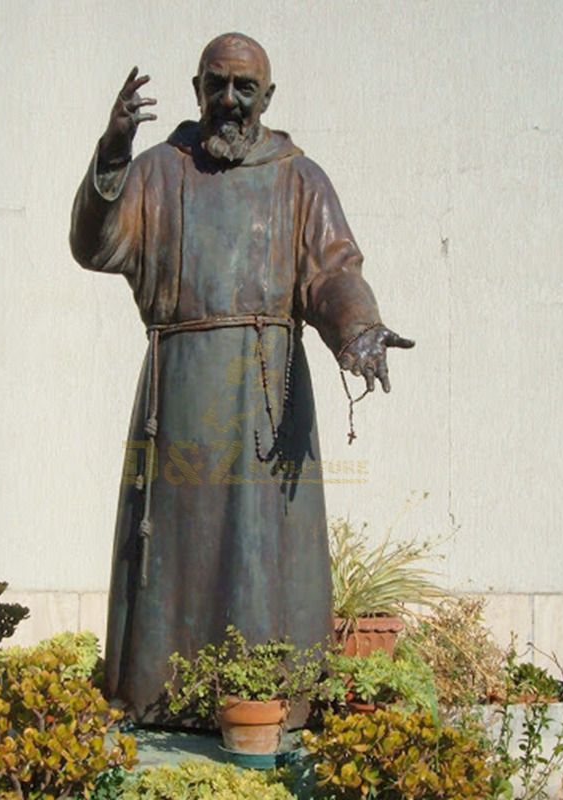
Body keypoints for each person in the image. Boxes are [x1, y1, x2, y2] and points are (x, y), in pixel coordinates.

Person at [70, 32, 414, 724]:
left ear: (268, 95)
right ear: (197, 89)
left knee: (263, 545)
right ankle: (161, 699)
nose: (230, 100)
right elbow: (94, 245)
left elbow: (333, 272)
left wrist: (358, 327)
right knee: (171, 541)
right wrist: (112, 153)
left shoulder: (299, 178)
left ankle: (268, 705)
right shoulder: (158, 172)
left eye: (244, 87)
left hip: (267, 393)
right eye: (217, 85)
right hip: (181, 387)